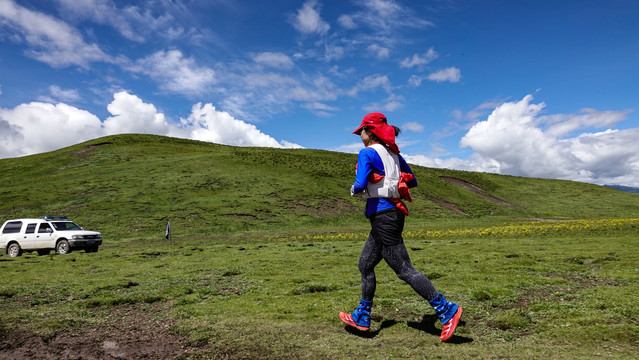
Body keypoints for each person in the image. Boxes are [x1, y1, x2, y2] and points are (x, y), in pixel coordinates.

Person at [339, 112, 462, 341]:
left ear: (370, 131)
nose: (360, 136)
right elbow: (412, 181)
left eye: (361, 132)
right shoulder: (395, 154)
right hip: (390, 214)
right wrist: (393, 181)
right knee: (365, 265)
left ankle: (447, 310)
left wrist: (358, 187)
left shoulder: (367, 152)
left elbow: (359, 184)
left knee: (404, 269)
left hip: (383, 215)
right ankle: (362, 316)